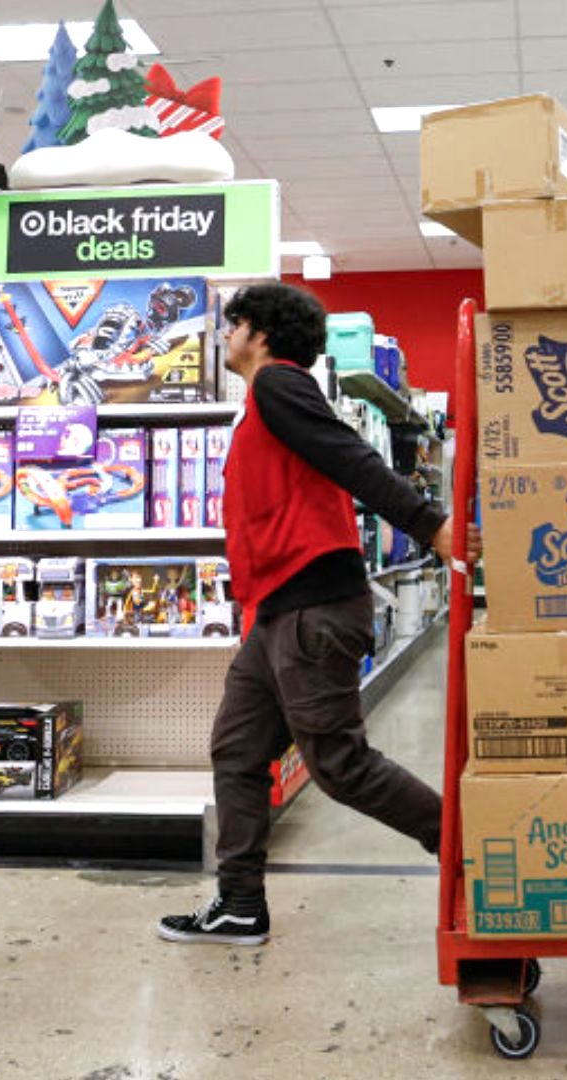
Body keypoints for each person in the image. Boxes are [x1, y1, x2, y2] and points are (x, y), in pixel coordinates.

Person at [159, 283, 481, 946]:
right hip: (278, 611)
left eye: (232, 325)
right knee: (238, 750)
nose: (225, 336)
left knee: (338, 763)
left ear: (260, 333)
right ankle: (240, 902)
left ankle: (469, 849)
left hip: (313, 606)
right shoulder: (265, 399)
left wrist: (429, 525)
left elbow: (348, 454)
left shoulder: (280, 385)